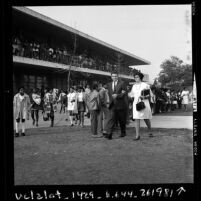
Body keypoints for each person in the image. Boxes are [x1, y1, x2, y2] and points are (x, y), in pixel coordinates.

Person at [104, 71, 128, 140]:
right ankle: (110, 134)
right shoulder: (109, 84)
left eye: (116, 76)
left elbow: (125, 93)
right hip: (112, 105)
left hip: (120, 104)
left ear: (118, 76)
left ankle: (123, 132)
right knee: (112, 119)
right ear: (111, 77)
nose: (114, 77)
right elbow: (109, 94)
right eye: (113, 76)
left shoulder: (122, 83)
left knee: (121, 120)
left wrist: (117, 95)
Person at [129, 71, 153, 140]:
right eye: (135, 77)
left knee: (146, 119)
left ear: (140, 77)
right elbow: (132, 94)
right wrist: (130, 95)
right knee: (136, 118)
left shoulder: (145, 85)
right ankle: (137, 135)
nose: (135, 78)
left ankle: (150, 131)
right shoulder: (133, 86)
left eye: (137, 77)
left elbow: (150, 94)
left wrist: (144, 97)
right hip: (136, 103)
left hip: (144, 103)